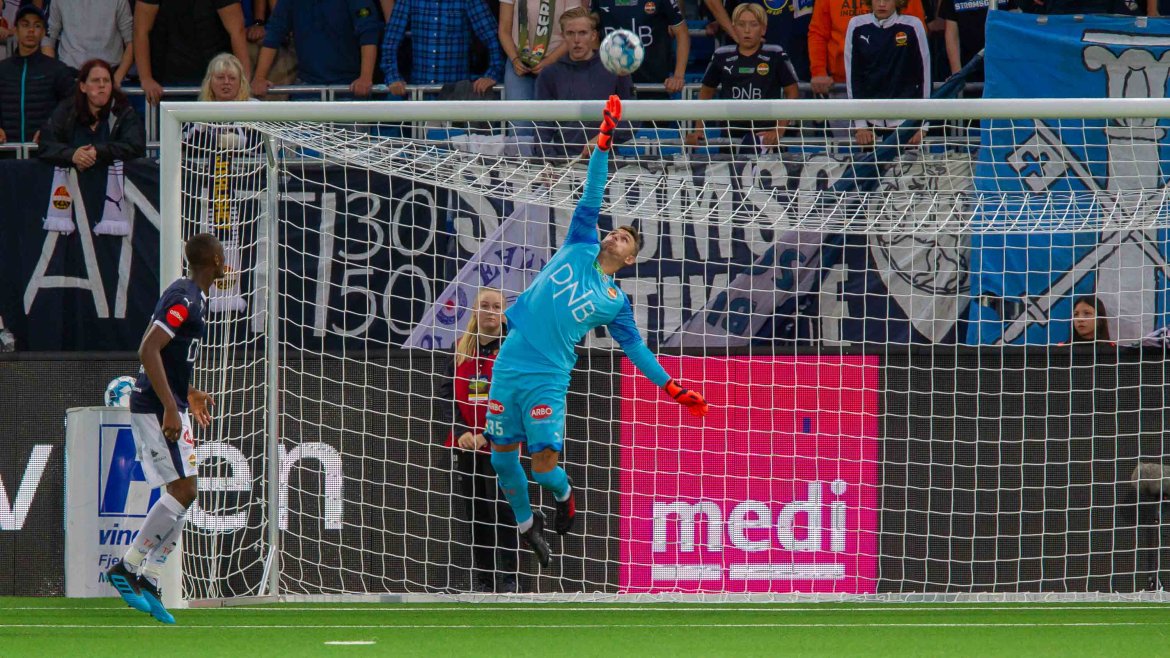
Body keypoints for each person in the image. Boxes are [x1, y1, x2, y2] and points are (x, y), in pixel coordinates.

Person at [486, 96, 710, 568]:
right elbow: (592, 192)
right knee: (501, 459)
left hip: (548, 376)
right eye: (615, 231)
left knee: (542, 465)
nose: (615, 235)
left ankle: (564, 494)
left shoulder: (615, 302)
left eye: (625, 238)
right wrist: (603, 142)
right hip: (509, 360)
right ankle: (527, 526)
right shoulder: (579, 242)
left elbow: (636, 348)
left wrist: (671, 387)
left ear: (629, 259)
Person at [105, 233, 223, 625]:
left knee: (186, 493)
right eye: (224, 256)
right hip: (156, 407)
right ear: (216, 261)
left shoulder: (196, 297)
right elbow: (148, 349)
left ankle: (151, 575)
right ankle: (128, 567)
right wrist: (171, 406)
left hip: (170, 403)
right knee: (184, 491)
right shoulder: (184, 299)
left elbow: (171, 358)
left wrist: (186, 393)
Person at [436, 288, 519, 593]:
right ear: (475, 310)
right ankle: (484, 581)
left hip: (501, 443)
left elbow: (517, 397)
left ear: (503, 314)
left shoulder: (512, 349)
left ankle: (509, 579)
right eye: (484, 305)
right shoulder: (460, 348)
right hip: (467, 444)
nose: (490, 311)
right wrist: (461, 432)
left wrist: (489, 433)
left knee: (504, 510)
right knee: (477, 512)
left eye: (496, 307)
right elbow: (446, 394)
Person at [685, 3, 800, 149]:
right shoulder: (721, 55)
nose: (747, 30)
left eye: (753, 24)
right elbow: (705, 93)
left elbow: (793, 92)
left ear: (763, 29)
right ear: (734, 28)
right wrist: (698, 130)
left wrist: (779, 130)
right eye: (741, 24)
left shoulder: (775, 54)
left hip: (766, 138)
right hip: (730, 137)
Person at [534, 8, 631, 159]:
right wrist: (548, 160)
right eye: (570, 33)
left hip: (606, 160)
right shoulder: (550, 74)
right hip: (563, 160)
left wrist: (604, 138)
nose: (576, 40)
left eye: (582, 33)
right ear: (563, 36)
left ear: (593, 35)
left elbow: (631, 119)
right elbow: (542, 125)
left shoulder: (615, 68)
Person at [498, 0, 584, 156]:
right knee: (519, 127)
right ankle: (522, 168)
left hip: (559, 63)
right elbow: (504, 29)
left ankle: (558, 167)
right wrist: (515, 59)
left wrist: (549, 61)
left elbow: (575, 31)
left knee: (560, 126)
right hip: (519, 62)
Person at [251, 0, 382, 99]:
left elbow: (369, 34)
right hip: (307, 87)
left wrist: (365, 77)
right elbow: (273, 34)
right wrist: (259, 78)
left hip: (350, 87)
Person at [844, 0, 929, 147]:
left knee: (908, 161)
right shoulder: (856, 25)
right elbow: (853, 77)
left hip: (905, 120)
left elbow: (925, 76)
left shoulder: (913, 26)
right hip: (870, 122)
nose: (882, 4)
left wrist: (922, 125)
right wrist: (860, 125)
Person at [133, 0, 251, 105]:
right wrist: (146, 78)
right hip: (167, 79)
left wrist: (243, 81)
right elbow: (140, 31)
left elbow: (237, 31)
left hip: (215, 77)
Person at [37, 58, 145, 170]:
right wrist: (72, 155)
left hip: (113, 179)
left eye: (106, 80)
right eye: (95, 80)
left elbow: (136, 147)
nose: (102, 85)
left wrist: (97, 151)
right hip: (71, 179)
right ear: (83, 87)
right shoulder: (66, 110)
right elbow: (46, 146)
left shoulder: (124, 110)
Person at [381, 0, 504, 98]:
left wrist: (492, 74)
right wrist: (393, 77)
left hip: (456, 94)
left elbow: (492, 36)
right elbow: (391, 40)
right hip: (419, 94)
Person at [808, 0, 925, 97]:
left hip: (897, 86)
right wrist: (818, 71)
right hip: (840, 84)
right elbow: (818, 33)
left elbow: (917, 36)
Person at [0, 6, 75, 148]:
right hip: (6, 152)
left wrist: (51, 129)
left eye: (37, 26)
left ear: (43, 33)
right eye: (25, 25)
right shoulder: (2, 70)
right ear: (15, 30)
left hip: (44, 152)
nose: (31, 30)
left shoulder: (57, 70)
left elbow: (72, 103)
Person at [593, 0, 690, 97]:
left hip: (654, 84)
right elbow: (591, 31)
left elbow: (682, 33)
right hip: (611, 85)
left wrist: (678, 76)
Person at [43, 0, 135, 86]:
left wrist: (117, 78)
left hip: (109, 74)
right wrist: (55, 75)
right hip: (69, 75)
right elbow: (47, 39)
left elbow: (132, 42)